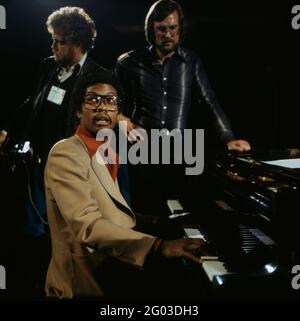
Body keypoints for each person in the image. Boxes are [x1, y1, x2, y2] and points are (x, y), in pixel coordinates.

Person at [44, 72, 206, 299]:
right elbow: (88, 226)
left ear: (117, 112)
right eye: (92, 99)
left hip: (113, 268)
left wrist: (162, 221)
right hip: (83, 281)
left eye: (110, 100)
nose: (102, 107)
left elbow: (111, 213)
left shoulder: (107, 152)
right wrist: (158, 245)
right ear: (79, 110)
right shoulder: (66, 152)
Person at [0, 6, 106, 298]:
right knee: (34, 233)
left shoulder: (98, 77)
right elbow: (30, 103)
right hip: (38, 166)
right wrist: (7, 130)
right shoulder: (48, 66)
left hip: (73, 173)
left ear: (76, 42)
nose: (53, 45)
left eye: (59, 41)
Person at [114, 0, 251, 214]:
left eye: (172, 28)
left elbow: (209, 101)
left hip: (180, 153)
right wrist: (121, 119)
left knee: (185, 215)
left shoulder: (191, 61)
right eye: (161, 29)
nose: (167, 34)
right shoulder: (129, 62)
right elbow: (111, 104)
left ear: (180, 28)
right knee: (146, 214)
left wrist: (228, 138)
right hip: (141, 154)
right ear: (151, 29)